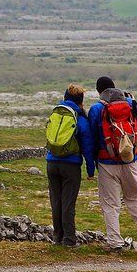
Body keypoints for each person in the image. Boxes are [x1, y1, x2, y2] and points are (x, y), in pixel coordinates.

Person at [88, 76, 137, 251]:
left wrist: (91, 163)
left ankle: (115, 243)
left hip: (106, 162)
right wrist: (134, 103)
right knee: (135, 196)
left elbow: (92, 138)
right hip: (130, 160)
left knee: (110, 204)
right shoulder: (129, 103)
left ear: (99, 91)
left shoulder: (97, 108)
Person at [46, 84, 95, 247]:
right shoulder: (80, 119)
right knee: (68, 203)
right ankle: (69, 239)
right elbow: (87, 146)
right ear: (81, 101)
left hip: (52, 162)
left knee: (56, 201)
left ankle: (57, 237)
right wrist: (90, 169)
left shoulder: (57, 113)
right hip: (71, 165)